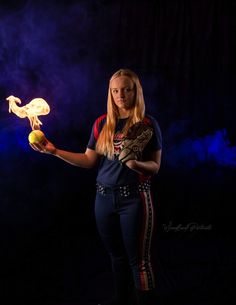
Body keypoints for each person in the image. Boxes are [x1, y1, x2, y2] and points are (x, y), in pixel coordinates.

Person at [30, 68, 162, 305]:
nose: (120, 95)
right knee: (116, 257)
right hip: (103, 199)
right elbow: (89, 160)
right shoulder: (102, 123)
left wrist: (134, 163)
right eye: (115, 91)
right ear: (110, 93)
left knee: (139, 262)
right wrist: (54, 151)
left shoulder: (148, 124)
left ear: (136, 92)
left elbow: (155, 167)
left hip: (135, 199)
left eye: (126, 90)